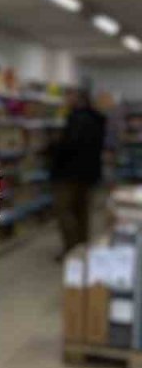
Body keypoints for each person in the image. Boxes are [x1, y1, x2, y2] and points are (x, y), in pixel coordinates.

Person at [51, 88, 106, 257]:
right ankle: (83, 248)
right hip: (89, 174)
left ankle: (71, 248)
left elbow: (69, 146)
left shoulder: (76, 119)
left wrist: (51, 149)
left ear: (78, 99)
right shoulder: (98, 119)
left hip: (68, 174)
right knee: (82, 212)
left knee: (64, 212)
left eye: (69, 97)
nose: (66, 100)